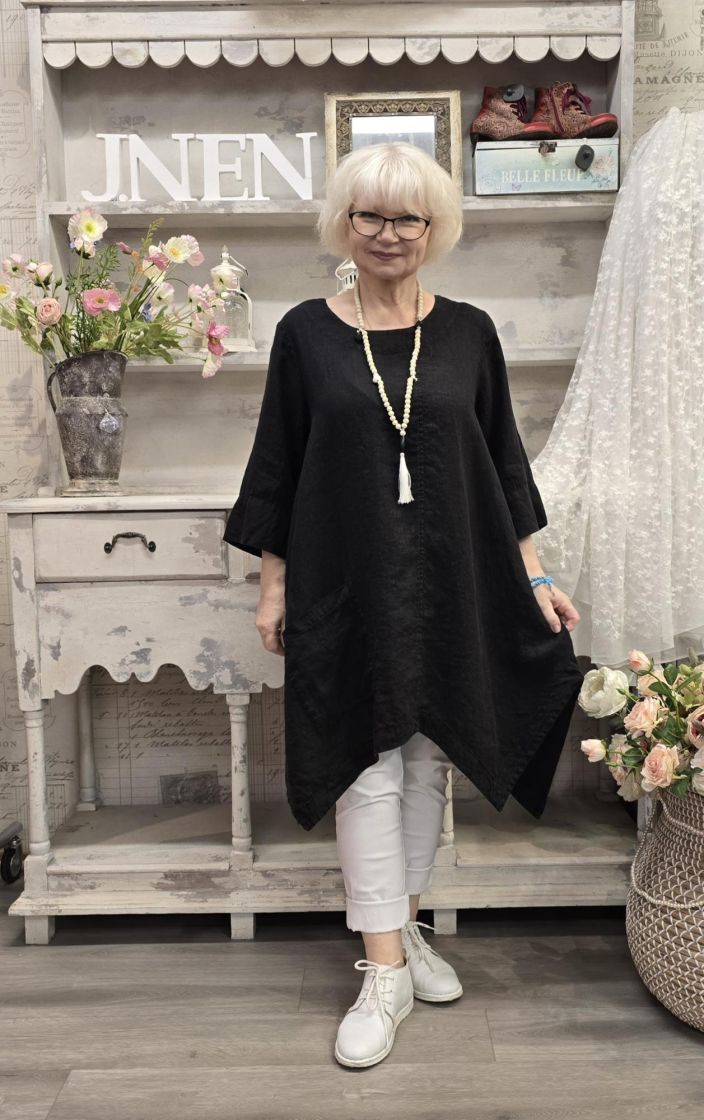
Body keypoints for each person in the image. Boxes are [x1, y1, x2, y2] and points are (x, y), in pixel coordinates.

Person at [223, 141, 584, 1069]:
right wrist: (273, 583)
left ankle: (403, 931)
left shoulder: (469, 332)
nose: (389, 234)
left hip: (452, 578)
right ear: (344, 223)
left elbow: (503, 464)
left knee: (427, 761)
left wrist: (534, 577)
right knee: (365, 763)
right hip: (345, 579)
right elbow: (279, 461)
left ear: (436, 227)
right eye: (371, 216)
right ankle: (382, 971)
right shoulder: (306, 333)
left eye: (408, 217)